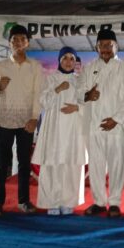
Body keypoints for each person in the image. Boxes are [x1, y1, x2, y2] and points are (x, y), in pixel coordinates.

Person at [77, 29, 124, 218]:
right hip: (94, 125)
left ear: (116, 46)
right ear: (96, 47)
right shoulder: (89, 68)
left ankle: (115, 203)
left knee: (117, 166)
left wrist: (115, 119)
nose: (105, 49)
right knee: (96, 166)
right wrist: (87, 95)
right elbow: (78, 92)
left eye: (109, 45)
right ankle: (99, 202)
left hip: (118, 126)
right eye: (101, 45)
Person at [0, 24, 43, 216]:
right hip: (4, 120)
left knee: (24, 163)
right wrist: (0, 87)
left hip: (26, 121)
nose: (18, 43)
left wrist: (34, 118)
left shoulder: (35, 67)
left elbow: (38, 94)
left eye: (22, 40)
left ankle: (24, 201)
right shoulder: (0, 66)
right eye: (14, 40)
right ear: (9, 43)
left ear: (28, 43)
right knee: (1, 163)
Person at [33, 47, 87, 215]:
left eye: (72, 58)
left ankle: (68, 201)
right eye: (65, 58)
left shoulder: (80, 81)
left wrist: (76, 108)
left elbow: (89, 105)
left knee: (71, 166)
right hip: (54, 129)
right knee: (53, 164)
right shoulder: (51, 79)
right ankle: (52, 202)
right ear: (59, 60)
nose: (68, 62)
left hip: (73, 130)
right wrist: (57, 89)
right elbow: (43, 102)